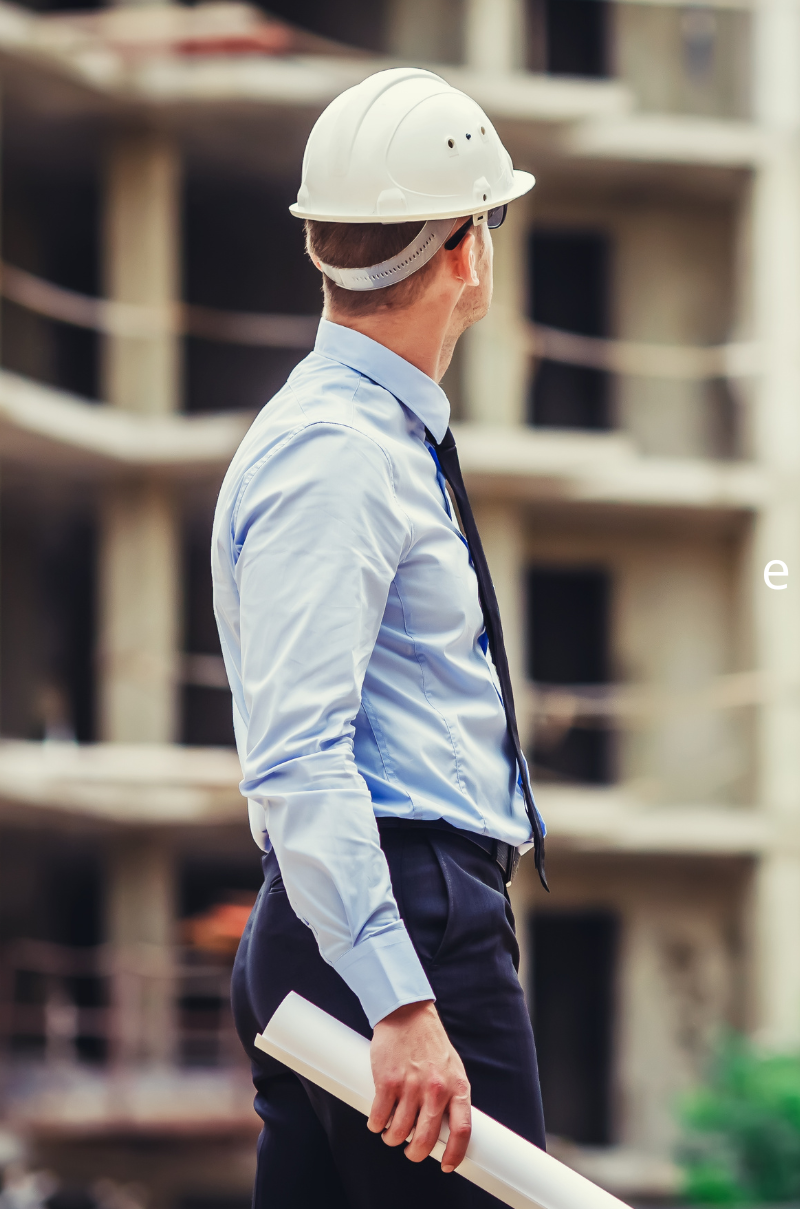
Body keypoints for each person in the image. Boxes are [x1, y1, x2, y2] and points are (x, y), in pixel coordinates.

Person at [214, 67, 545, 1209]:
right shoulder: (340, 451)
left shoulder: (352, 436)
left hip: (350, 917)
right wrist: (402, 999)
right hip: (399, 917)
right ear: (465, 252)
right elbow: (301, 750)